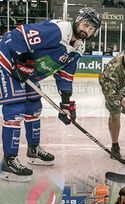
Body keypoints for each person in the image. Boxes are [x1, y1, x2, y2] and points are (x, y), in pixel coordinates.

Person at [0, 7, 101, 181]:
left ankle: (33, 149)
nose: (87, 30)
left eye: (92, 29)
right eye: (86, 25)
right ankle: (8, 160)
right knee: (15, 108)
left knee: (34, 107)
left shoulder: (78, 49)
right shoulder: (59, 30)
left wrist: (65, 103)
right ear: (78, 21)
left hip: (27, 70)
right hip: (8, 58)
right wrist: (23, 60)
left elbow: (65, 75)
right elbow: (19, 34)